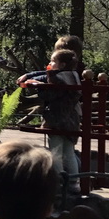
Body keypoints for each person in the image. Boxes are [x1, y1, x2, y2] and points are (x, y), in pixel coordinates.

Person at [22, 48, 82, 197]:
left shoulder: (58, 78)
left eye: (53, 61)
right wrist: (35, 79)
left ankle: (58, 182)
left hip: (56, 119)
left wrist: (38, 86)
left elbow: (50, 94)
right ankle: (74, 182)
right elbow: (46, 77)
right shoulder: (74, 75)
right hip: (72, 119)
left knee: (55, 152)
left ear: (61, 65)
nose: (49, 63)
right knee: (69, 152)